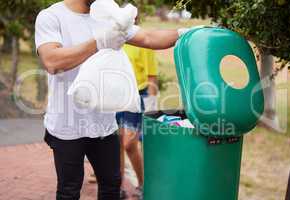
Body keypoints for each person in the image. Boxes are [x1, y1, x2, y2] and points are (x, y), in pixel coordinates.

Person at [35, 0, 189, 199]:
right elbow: (52, 61)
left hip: (104, 125)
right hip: (67, 126)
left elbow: (149, 38)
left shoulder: (107, 14)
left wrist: (186, 33)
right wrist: (98, 42)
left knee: (111, 185)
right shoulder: (51, 16)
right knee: (69, 191)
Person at [116, 44, 158, 199]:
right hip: (115, 95)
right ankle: (118, 188)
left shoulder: (144, 42)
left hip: (137, 96)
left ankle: (143, 185)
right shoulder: (115, 40)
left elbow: (152, 77)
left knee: (129, 144)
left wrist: (151, 107)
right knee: (117, 143)